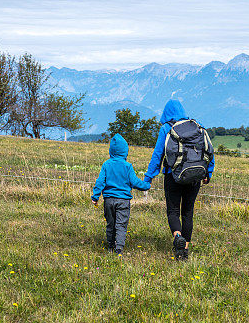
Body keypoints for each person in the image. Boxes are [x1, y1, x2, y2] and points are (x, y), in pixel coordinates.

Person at [143, 100, 214, 260]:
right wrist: (208, 172)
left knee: (173, 211)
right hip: (195, 175)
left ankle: (177, 238)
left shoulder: (166, 129)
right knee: (188, 212)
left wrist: (148, 178)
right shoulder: (197, 125)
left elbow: (157, 155)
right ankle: (184, 251)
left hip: (173, 176)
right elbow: (209, 149)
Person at [91, 133, 151, 254]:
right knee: (121, 225)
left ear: (111, 151)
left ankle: (110, 246)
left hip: (108, 200)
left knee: (110, 224)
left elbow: (100, 182)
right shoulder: (127, 166)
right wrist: (146, 185)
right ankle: (119, 249)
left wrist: (95, 196)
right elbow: (134, 182)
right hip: (123, 201)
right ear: (125, 151)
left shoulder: (106, 165)